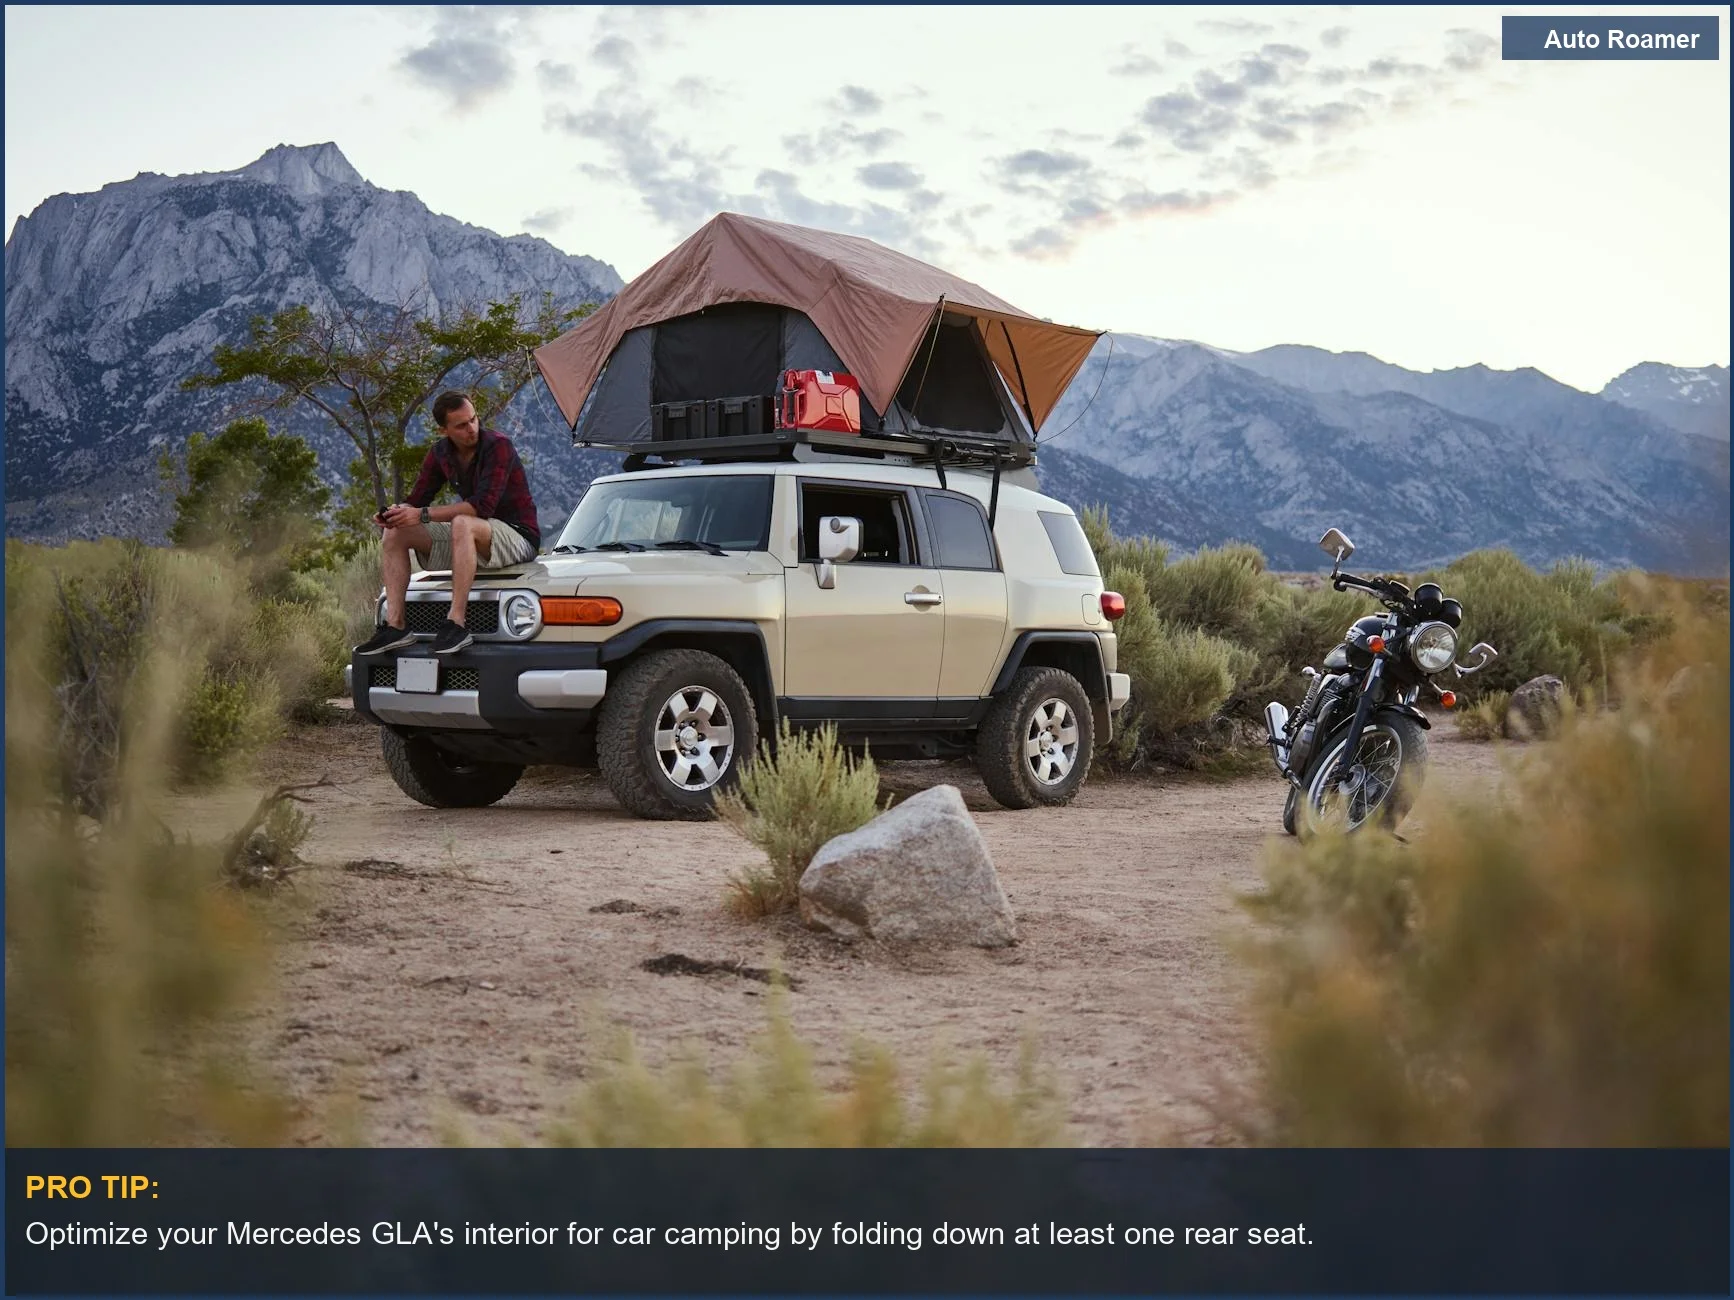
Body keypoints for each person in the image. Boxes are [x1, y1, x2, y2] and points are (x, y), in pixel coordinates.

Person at [353, 390, 542, 657]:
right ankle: (395, 626)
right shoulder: (440, 453)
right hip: (475, 536)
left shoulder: (498, 446)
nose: (472, 428)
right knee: (396, 532)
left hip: (518, 536)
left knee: (463, 522)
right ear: (443, 430)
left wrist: (422, 514)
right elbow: (417, 499)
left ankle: (456, 623)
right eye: (461, 425)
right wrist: (396, 513)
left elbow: (482, 507)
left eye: (473, 419)